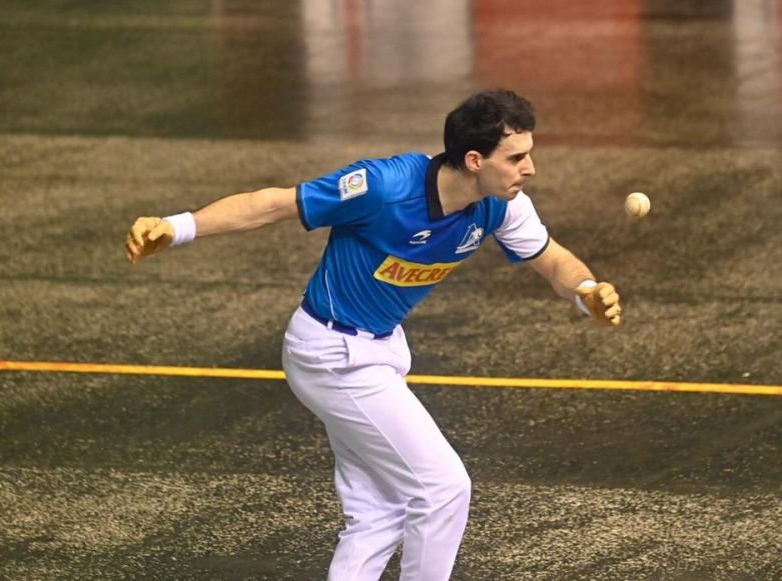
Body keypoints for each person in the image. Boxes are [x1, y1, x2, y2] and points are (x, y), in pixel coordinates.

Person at [125, 89, 621, 581]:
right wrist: (176, 227)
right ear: (474, 159)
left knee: (381, 511)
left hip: (378, 349)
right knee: (442, 487)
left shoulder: (500, 204)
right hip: (332, 353)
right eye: (517, 158)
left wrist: (586, 290)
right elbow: (276, 204)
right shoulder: (383, 187)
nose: (529, 168)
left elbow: (553, 260)